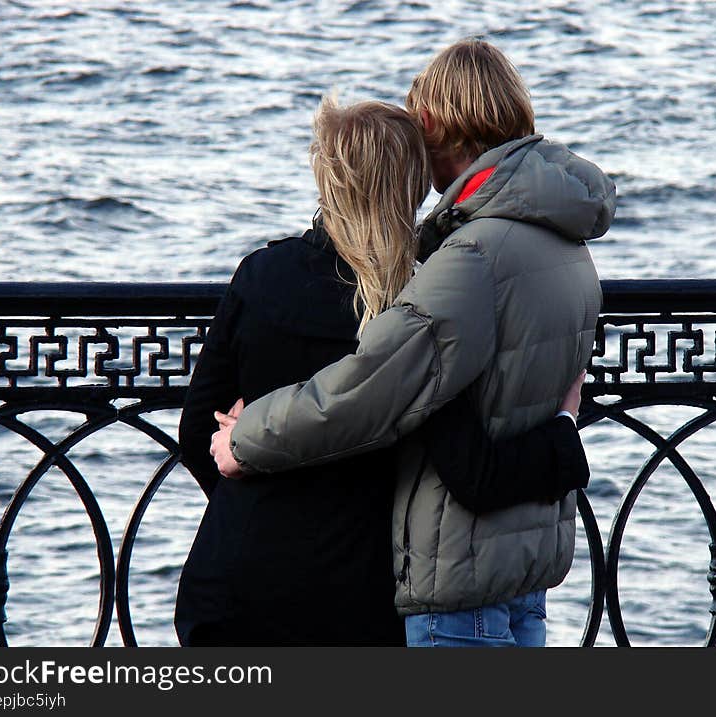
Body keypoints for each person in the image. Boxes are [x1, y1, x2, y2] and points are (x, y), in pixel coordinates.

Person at [211, 38, 615, 647]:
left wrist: (244, 438)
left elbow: (371, 387)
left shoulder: (474, 254)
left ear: (432, 124)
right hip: (523, 565)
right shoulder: (563, 238)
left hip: (460, 577)